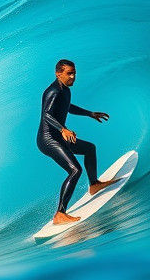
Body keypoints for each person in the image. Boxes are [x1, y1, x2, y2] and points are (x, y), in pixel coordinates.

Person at [37, 59, 120, 225]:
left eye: (74, 73)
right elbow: (46, 114)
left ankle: (94, 184)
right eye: (69, 73)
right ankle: (60, 214)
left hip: (58, 136)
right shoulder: (52, 91)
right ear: (58, 73)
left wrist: (89, 113)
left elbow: (67, 106)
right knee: (75, 170)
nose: (73, 76)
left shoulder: (65, 90)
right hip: (48, 139)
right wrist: (63, 129)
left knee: (89, 148)